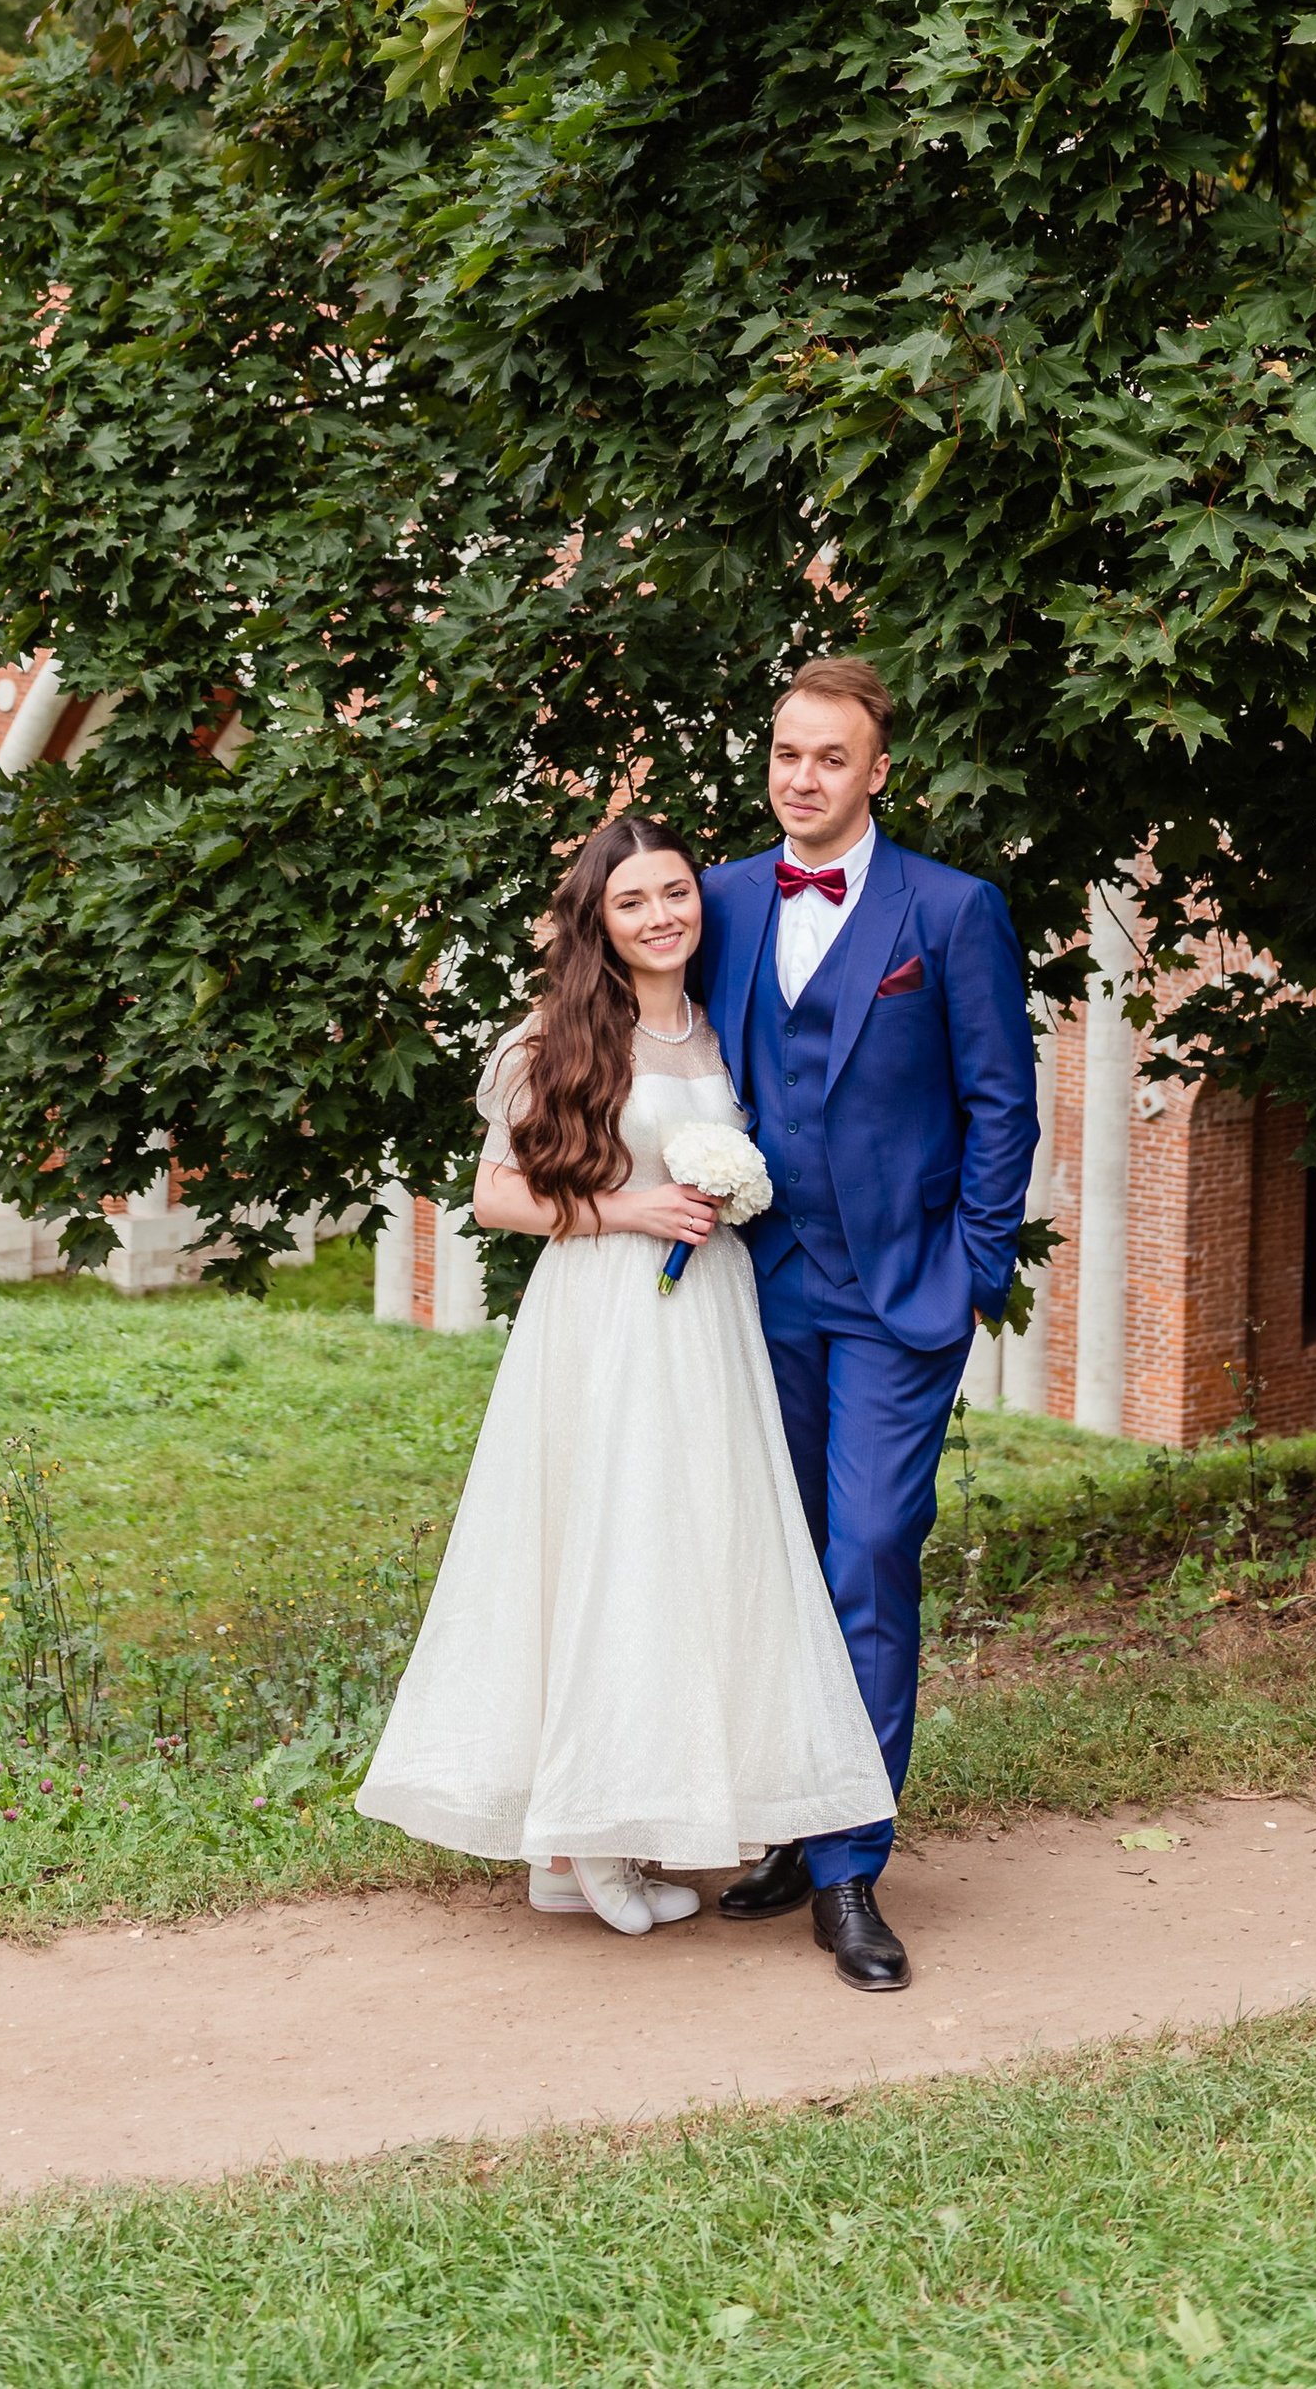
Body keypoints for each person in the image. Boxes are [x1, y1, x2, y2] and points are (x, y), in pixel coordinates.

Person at [356, 814, 893, 1935]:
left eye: (676, 893)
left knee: (688, 1554)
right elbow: (496, 1197)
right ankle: (588, 1828)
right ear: (598, 920)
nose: (661, 916)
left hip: (709, 1324)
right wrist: (629, 1207)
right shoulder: (558, 1034)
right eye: (633, 901)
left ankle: (601, 1835)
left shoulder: (719, 1028)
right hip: (605, 1321)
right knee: (608, 1548)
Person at [695, 655, 1038, 1993]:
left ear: (878, 770)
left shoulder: (951, 910)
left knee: (872, 1551)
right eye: (786, 750)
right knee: (774, 1558)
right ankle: (789, 1816)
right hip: (755, 1286)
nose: (802, 776)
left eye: (830, 755)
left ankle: (850, 1868)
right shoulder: (717, 896)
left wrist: (974, 1270)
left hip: (901, 1296)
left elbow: (1000, 1099)